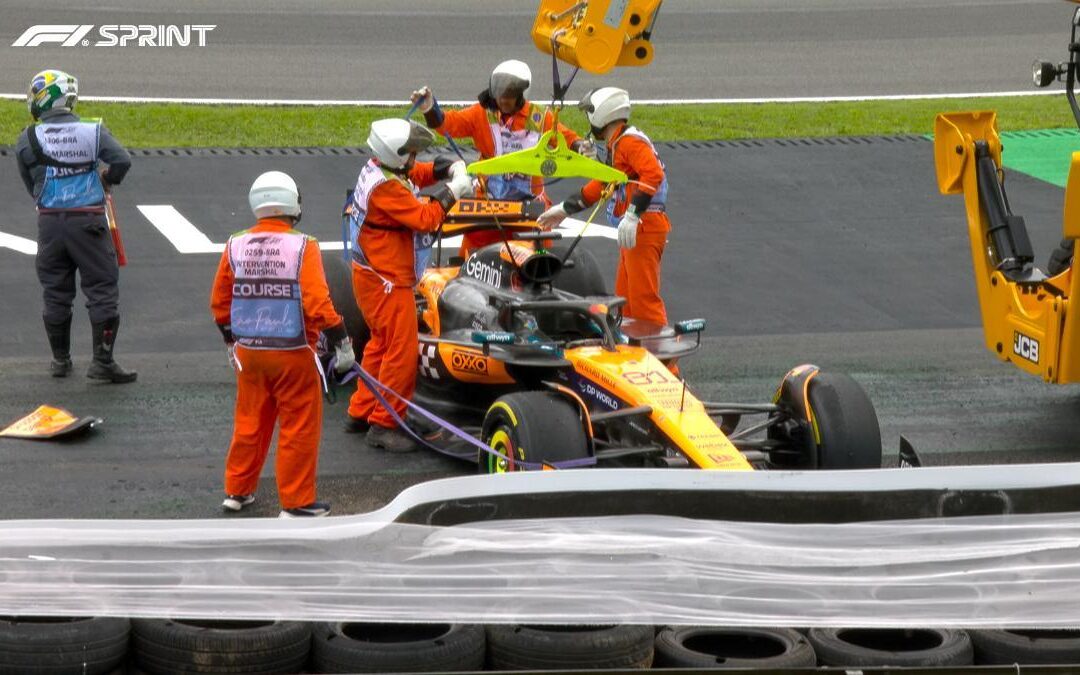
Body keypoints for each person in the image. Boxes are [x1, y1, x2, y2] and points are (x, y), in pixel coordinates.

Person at [210, 171, 355, 518]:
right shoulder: (303, 246)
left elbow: (219, 303)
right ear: (293, 204)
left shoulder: (235, 244)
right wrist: (342, 342)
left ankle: (237, 490)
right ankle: (296, 501)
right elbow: (318, 303)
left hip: (249, 353)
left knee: (249, 422)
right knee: (298, 427)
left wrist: (231, 341)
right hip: (293, 353)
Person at [345, 118, 473, 452]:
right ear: (398, 155)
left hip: (372, 275)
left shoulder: (377, 170)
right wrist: (454, 190)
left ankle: (362, 410)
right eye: (412, 152)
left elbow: (415, 175)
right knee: (401, 353)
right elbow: (426, 218)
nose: (416, 158)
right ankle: (385, 424)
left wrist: (449, 168)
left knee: (381, 344)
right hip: (386, 280)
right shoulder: (386, 189)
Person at [15, 69, 135, 382]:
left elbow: (32, 184)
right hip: (89, 222)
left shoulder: (27, 139)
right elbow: (122, 160)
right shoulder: (93, 131)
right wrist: (107, 180)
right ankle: (102, 363)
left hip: (50, 225)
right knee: (102, 290)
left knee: (55, 292)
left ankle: (60, 361)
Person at [410, 59, 590, 254]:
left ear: (522, 94)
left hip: (529, 206)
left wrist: (581, 146)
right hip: (488, 204)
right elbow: (447, 124)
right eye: (500, 95)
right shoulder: (480, 114)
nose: (503, 100)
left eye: (510, 96)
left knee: (538, 261)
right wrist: (429, 109)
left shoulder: (540, 118)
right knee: (470, 260)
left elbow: (568, 139)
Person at [537, 87, 671, 327]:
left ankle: (666, 365)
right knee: (626, 300)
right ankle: (632, 354)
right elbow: (603, 183)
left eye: (590, 112)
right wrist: (565, 209)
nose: (589, 118)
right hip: (637, 228)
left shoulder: (629, 142)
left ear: (602, 113)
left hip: (643, 227)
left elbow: (653, 173)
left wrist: (632, 214)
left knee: (643, 300)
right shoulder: (619, 143)